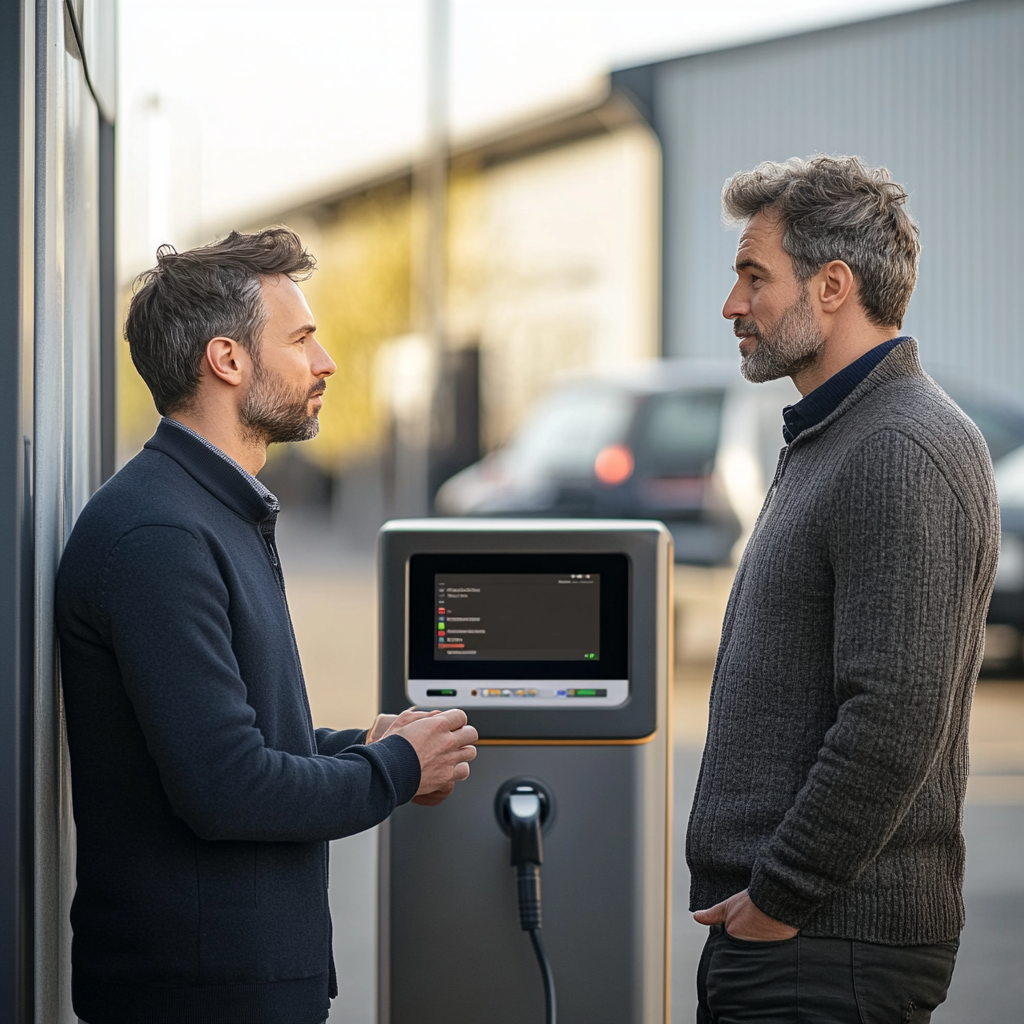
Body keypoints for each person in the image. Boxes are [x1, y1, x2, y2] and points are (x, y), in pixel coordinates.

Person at [56, 228, 478, 1024]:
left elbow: (237, 740)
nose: (325, 363)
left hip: (233, 986)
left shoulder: (208, 511)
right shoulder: (161, 535)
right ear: (227, 360)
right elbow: (227, 788)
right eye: (302, 339)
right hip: (197, 996)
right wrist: (392, 772)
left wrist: (366, 747)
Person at [687, 156, 999, 1022]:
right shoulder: (838, 435)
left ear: (832, 286)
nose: (732, 305)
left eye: (755, 276)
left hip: (826, 949)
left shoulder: (900, 447)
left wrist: (781, 897)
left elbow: (892, 714)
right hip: (804, 943)